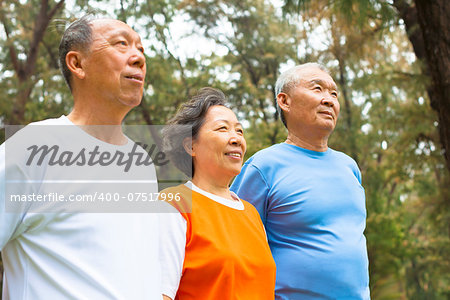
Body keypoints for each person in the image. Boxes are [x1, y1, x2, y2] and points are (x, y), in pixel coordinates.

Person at [0, 15, 162, 299]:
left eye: (141, 48)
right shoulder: (32, 148)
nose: (138, 57)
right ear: (77, 64)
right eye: (121, 44)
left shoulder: (141, 164)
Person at [231, 63, 370, 299]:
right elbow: (235, 245)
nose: (329, 100)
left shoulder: (350, 167)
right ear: (285, 101)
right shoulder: (263, 167)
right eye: (317, 89)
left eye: (334, 93)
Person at [158, 87, 276, 300]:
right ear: (191, 145)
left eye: (239, 131)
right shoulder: (173, 204)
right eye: (223, 129)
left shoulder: (251, 214)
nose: (236, 139)